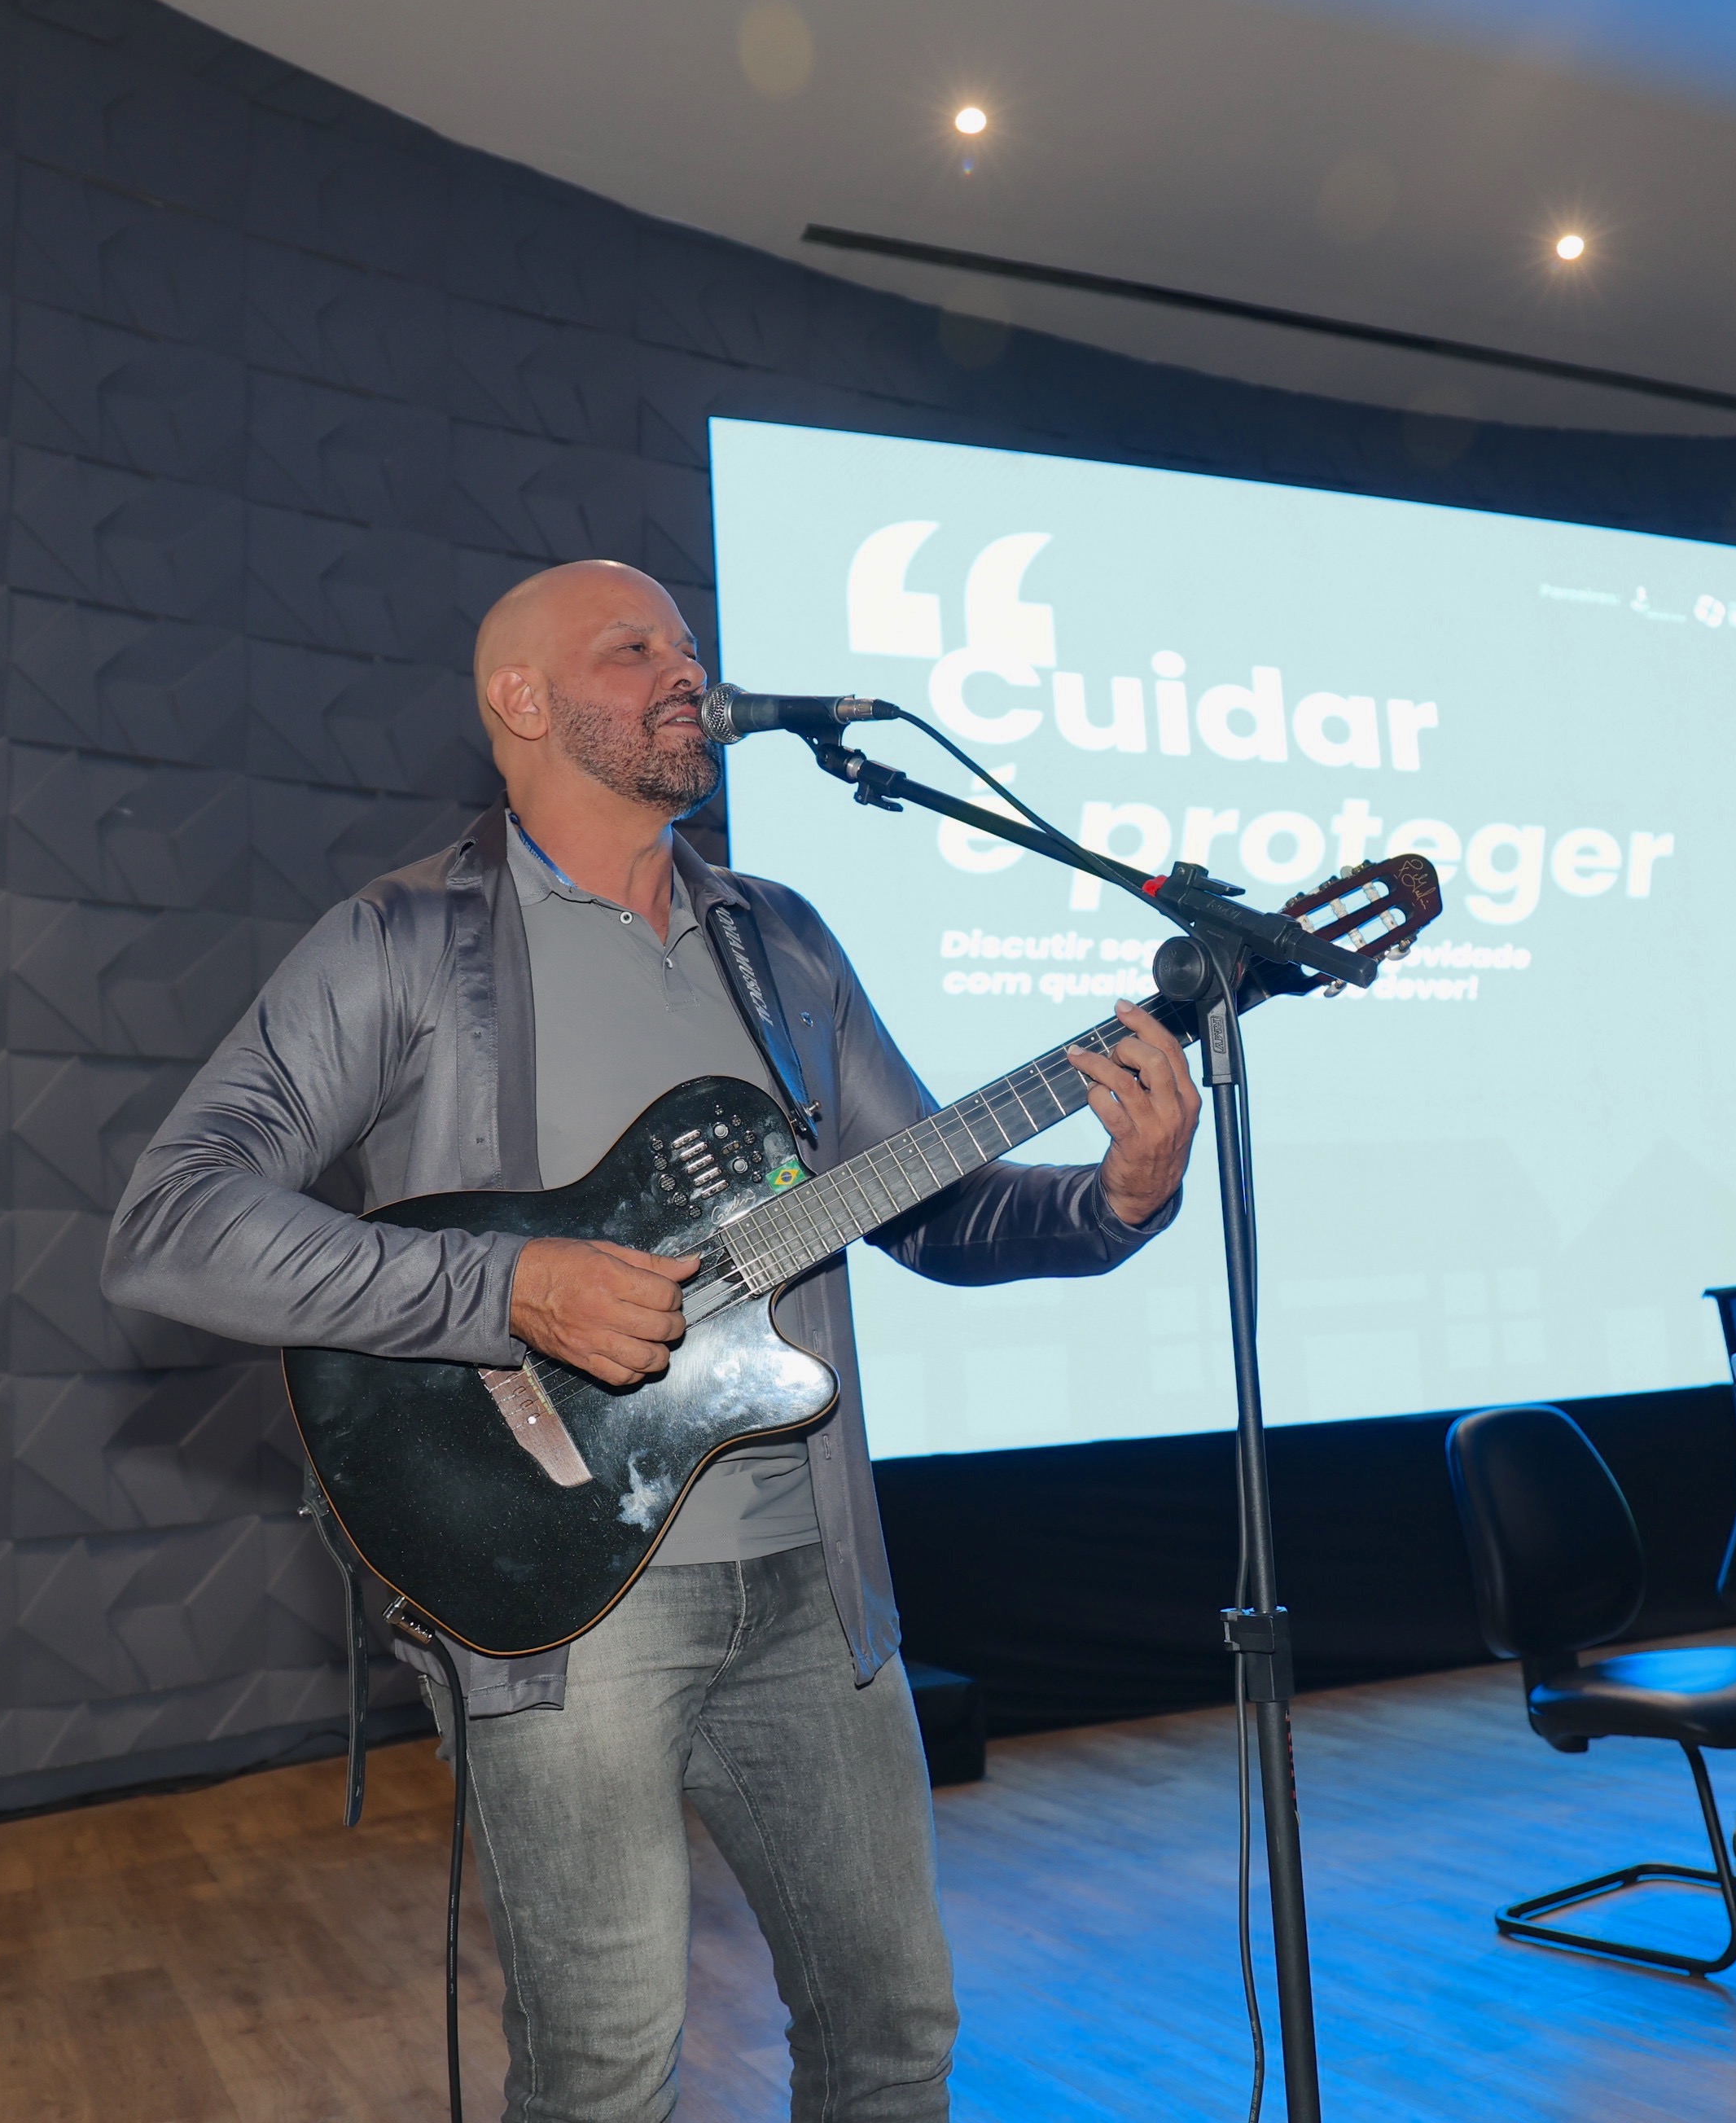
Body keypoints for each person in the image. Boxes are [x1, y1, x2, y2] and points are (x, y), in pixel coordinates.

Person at [102, 559, 1202, 2122]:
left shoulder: (783, 939)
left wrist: (1116, 1199)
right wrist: (507, 1287)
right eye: (635, 650)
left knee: (895, 2038)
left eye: (689, 646)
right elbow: (174, 1222)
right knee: (607, 2076)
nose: (688, 673)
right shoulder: (400, 940)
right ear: (522, 701)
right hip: (558, 1606)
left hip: (815, 1591)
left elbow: (925, 1211)